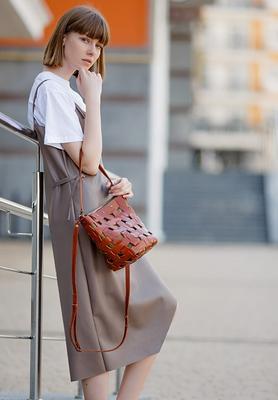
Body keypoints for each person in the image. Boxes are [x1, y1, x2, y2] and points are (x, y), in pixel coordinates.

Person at [27, 5, 178, 400]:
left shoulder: (63, 91)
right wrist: (92, 99)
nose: (92, 51)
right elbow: (85, 161)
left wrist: (114, 181)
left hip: (95, 210)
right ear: (63, 38)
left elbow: (92, 165)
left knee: (155, 305)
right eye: (84, 40)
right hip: (81, 217)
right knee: (95, 324)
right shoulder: (51, 88)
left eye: (98, 44)